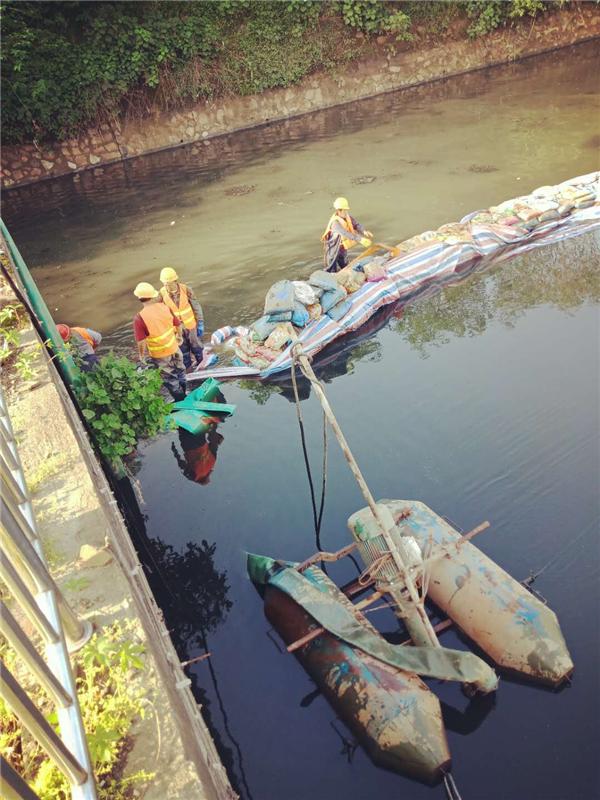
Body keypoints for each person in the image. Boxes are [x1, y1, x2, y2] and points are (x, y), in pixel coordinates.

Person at [132, 281, 187, 401]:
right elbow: (178, 324)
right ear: (153, 295)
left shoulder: (139, 318)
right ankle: (185, 390)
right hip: (174, 347)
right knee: (181, 370)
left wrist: (142, 355)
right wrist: (179, 337)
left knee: (170, 378)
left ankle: (181, 400)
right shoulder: (165, 307)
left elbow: (141, 342)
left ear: (139, 298)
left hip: (160, 354)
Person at [158, 267, 204, 370]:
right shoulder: (161, 294)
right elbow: (161, 313)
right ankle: (189, 369)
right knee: (183, 351)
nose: (166, 286)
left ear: (175, 281)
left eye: (168, 283)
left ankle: (202, 365)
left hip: (190, 325)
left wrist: (200, 322)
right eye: (164, 283)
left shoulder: (186, 289)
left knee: (196, 346)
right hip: (175, 329)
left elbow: (196, 306)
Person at [321, 197, 373, 273]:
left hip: (342, 248)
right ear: (339, 210)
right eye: (344, 210)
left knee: (345, 266)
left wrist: (364, 231)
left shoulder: (348, 217)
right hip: (333, 248)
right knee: (331, 270)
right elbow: (346, 234)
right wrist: (360, 239)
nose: (346, 212)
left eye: (346, 210)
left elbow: (356, 224)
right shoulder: (335, 223)